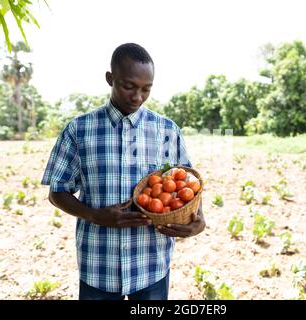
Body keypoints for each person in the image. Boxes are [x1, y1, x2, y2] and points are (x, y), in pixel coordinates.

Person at [41, 43, 205, 300]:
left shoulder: (167, 131)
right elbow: (57, 192)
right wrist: (94, 215)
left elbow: (187, 184)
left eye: (146, 89)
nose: (137, 96)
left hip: (151, 264)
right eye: (129, 86)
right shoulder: (79, 130)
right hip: (98, 266)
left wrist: (199, 220)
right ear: (110, 79)